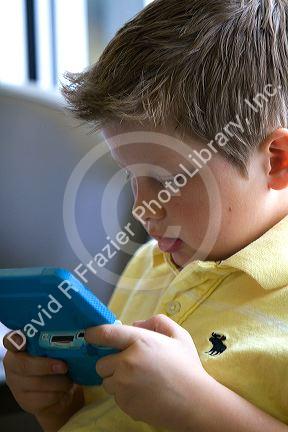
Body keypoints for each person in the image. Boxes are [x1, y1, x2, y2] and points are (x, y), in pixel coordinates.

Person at [3, 0, 288, 431]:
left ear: (278, 161)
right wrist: (59, 407)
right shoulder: (151, 264)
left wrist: (195, 406)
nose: (142, 207)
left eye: (166, 179)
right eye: (130, 175)